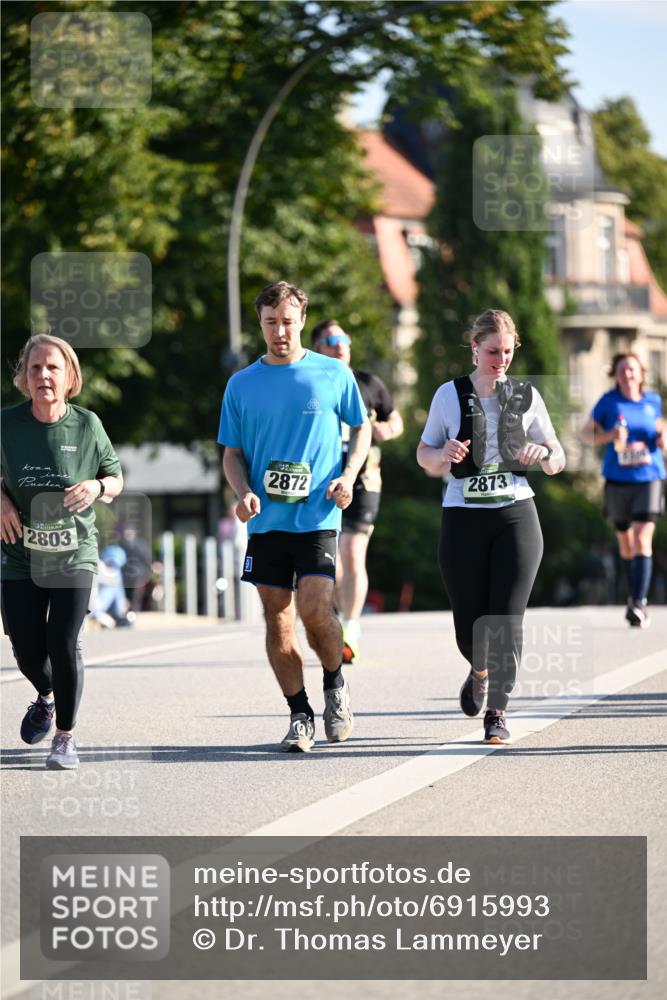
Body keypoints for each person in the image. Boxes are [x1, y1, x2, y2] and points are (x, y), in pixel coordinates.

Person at [217, 281, 370, 752]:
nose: (279, 331)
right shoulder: (241, 384)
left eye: (287, 322)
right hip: (266, 523)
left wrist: (347, 475)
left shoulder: (332, 374)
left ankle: (335, 683)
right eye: (269, 323)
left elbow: (361, 428)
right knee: (277, 621)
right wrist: (243, 493)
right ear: (260, 323)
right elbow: (232, 454)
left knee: (313, 609)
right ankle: (300, 714)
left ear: (302, 320)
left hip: (319, 515)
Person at [417, 309, 565, 745]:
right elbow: (425, 457)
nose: (500, 360)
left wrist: (545, 455)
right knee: (469, 625)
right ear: (474, 348)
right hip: (463, 516)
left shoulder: (525, 395)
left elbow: (558, 456)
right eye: (492, 351)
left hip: (515, 513)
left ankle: (497, 711)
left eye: (507, 351)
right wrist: (442, 452)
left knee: (506, 620)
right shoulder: (449, 395)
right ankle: (478, 670)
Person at [1, 334, 123, 769]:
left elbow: (115, 477)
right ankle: (46, 696)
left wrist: (97, 486)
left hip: (73, 552)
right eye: (35, 368)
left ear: (69, 375)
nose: (43, 376)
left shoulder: (87, 425)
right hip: (19, 553)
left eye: (52, 368)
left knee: (63, 641)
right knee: (26, 648)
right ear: (24, 377)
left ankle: (65, 737)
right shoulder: (7, 424)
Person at [311, 319, 403, 663]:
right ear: (317, 347)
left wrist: (383, 430)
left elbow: (397, 421)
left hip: (364, 480)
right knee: (329, 562)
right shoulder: (312, 383)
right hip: (322, 483)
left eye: (344, 338)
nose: (340, 344)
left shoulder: (368, 383)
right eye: (331, 339)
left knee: (352, 554)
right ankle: (339, 615)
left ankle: (351, 626)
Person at [581, 352, 665, 627]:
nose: (627, 374)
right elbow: (586, 434)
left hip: (649, 477)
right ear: (615, 375)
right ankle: (634, 595)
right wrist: (609, 436)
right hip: (617, 479)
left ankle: (639, 602)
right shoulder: (608, 402)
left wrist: (663, 438)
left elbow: (660, 431)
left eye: (631, 369)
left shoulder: (653, 401)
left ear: (641, 374)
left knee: (642, 539)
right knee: (626, 543)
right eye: (621, 370)